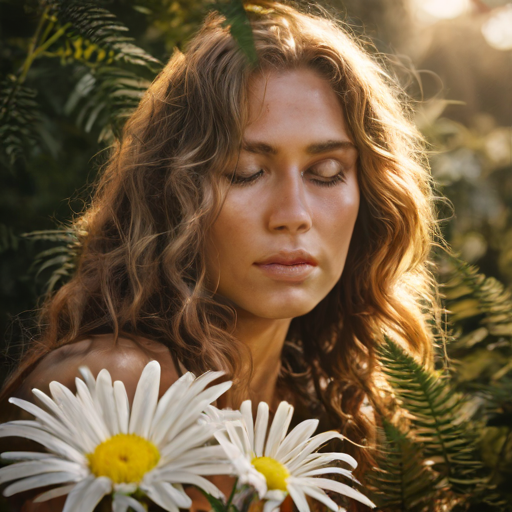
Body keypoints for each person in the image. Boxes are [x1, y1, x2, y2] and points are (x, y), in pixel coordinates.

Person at [0, 1, 442, 510]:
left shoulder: (342, 415)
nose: (293, 214)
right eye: (245, 171)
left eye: (326, 173)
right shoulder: (106, 393)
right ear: (173, 191)